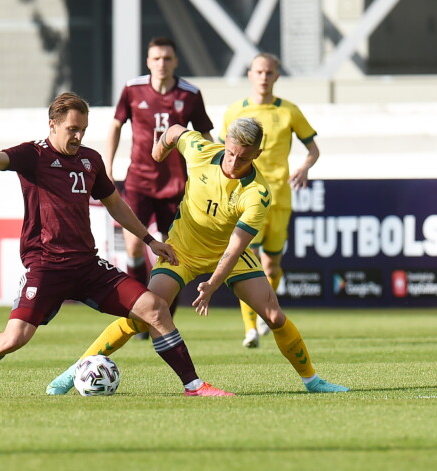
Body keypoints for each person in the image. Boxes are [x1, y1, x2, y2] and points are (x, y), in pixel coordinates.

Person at [0, 92, 231, 397]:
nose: (78, 136)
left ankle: (194, 386)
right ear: (52, 125)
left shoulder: (90, 161)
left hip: (87, 267)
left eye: (83, 129)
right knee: (15, 337)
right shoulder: (33, 155)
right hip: (46, 267)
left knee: (155, 308)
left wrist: (149, 239)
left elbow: (115, 204)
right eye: (72, 129)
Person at [46, 117, 349, 395]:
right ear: (225, 144)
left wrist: (212, 285)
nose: (233, 161)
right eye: (230, 153)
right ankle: (73, 372)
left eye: (243, 157)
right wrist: (159, 150)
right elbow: (175, 131)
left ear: (256, 154)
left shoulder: (257, 193)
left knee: (274, 316)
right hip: (182, 250)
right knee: (142, 315)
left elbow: (234, 247)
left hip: (227, 255)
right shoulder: (201, 150)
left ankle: (313, 381)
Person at [105, 37, 214, 337]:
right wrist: (107, 165)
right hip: (139, 180)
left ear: (175, 61)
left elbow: (206, 136)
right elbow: (115, 125)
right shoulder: (132, 89)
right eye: (156, 58)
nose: (161, 63)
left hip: (177, 186)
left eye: (167, 58)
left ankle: (161, 319)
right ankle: (138, 310)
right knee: (133, 245)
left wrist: (212, 175)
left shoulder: (190, 94)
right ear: (148, 61)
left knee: (172, 254)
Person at [220, 53, 321, 348]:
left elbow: (313, 149)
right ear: (250, 74)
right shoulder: (235, 112)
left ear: (276, 76)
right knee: (246, 262)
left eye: (269, 72)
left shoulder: (289, 111)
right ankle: (250, 328)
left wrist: (304, 167)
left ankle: (264, 315)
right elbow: (221, 152)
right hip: (249, 198)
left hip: (280, 197)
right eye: (259, 71)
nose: (263, 77)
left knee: (272, 267)